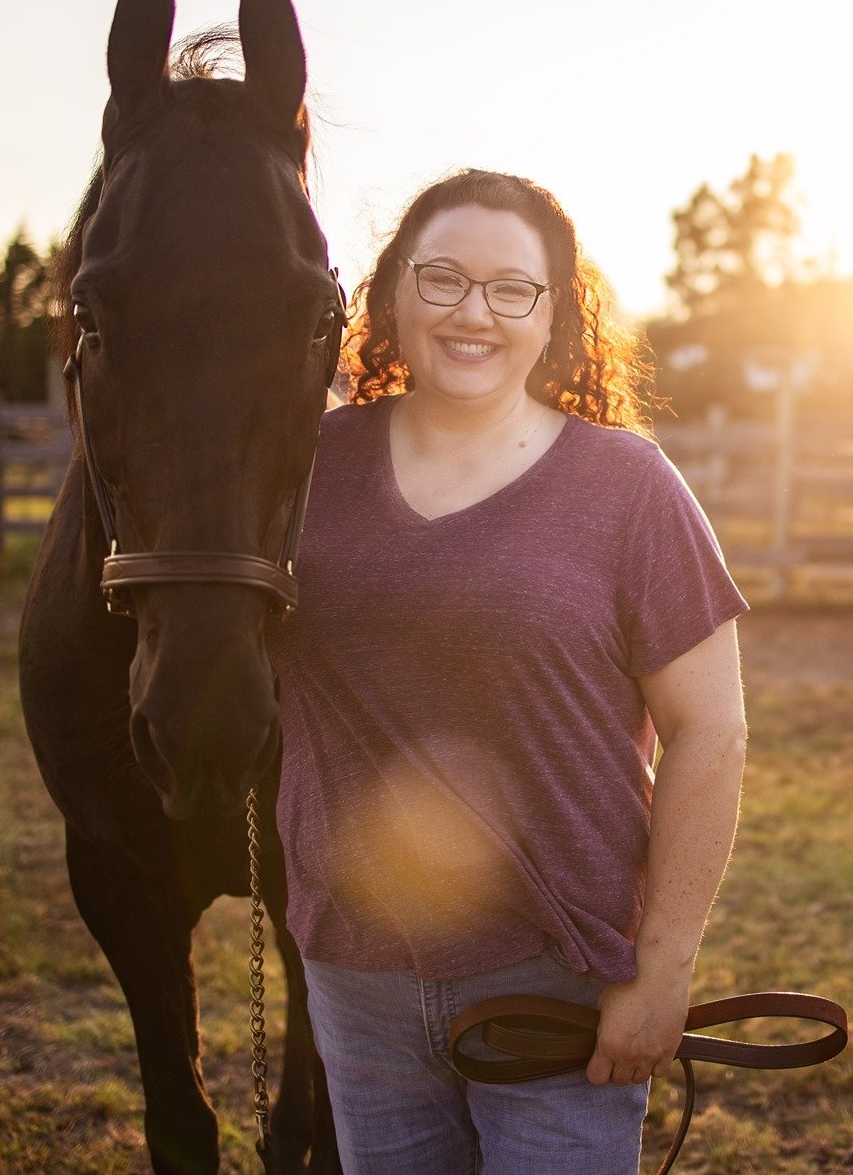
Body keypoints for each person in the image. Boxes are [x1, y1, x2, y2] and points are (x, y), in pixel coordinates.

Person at [266, 169, 749, 1173]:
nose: (471, 312)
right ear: (391, 294)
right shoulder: (302, 470)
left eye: (509, 289)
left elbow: (710, 732)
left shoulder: (627, 489)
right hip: (353, 977)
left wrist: (660, 978)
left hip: (553, 980)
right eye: (440, 278)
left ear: (554, 316)